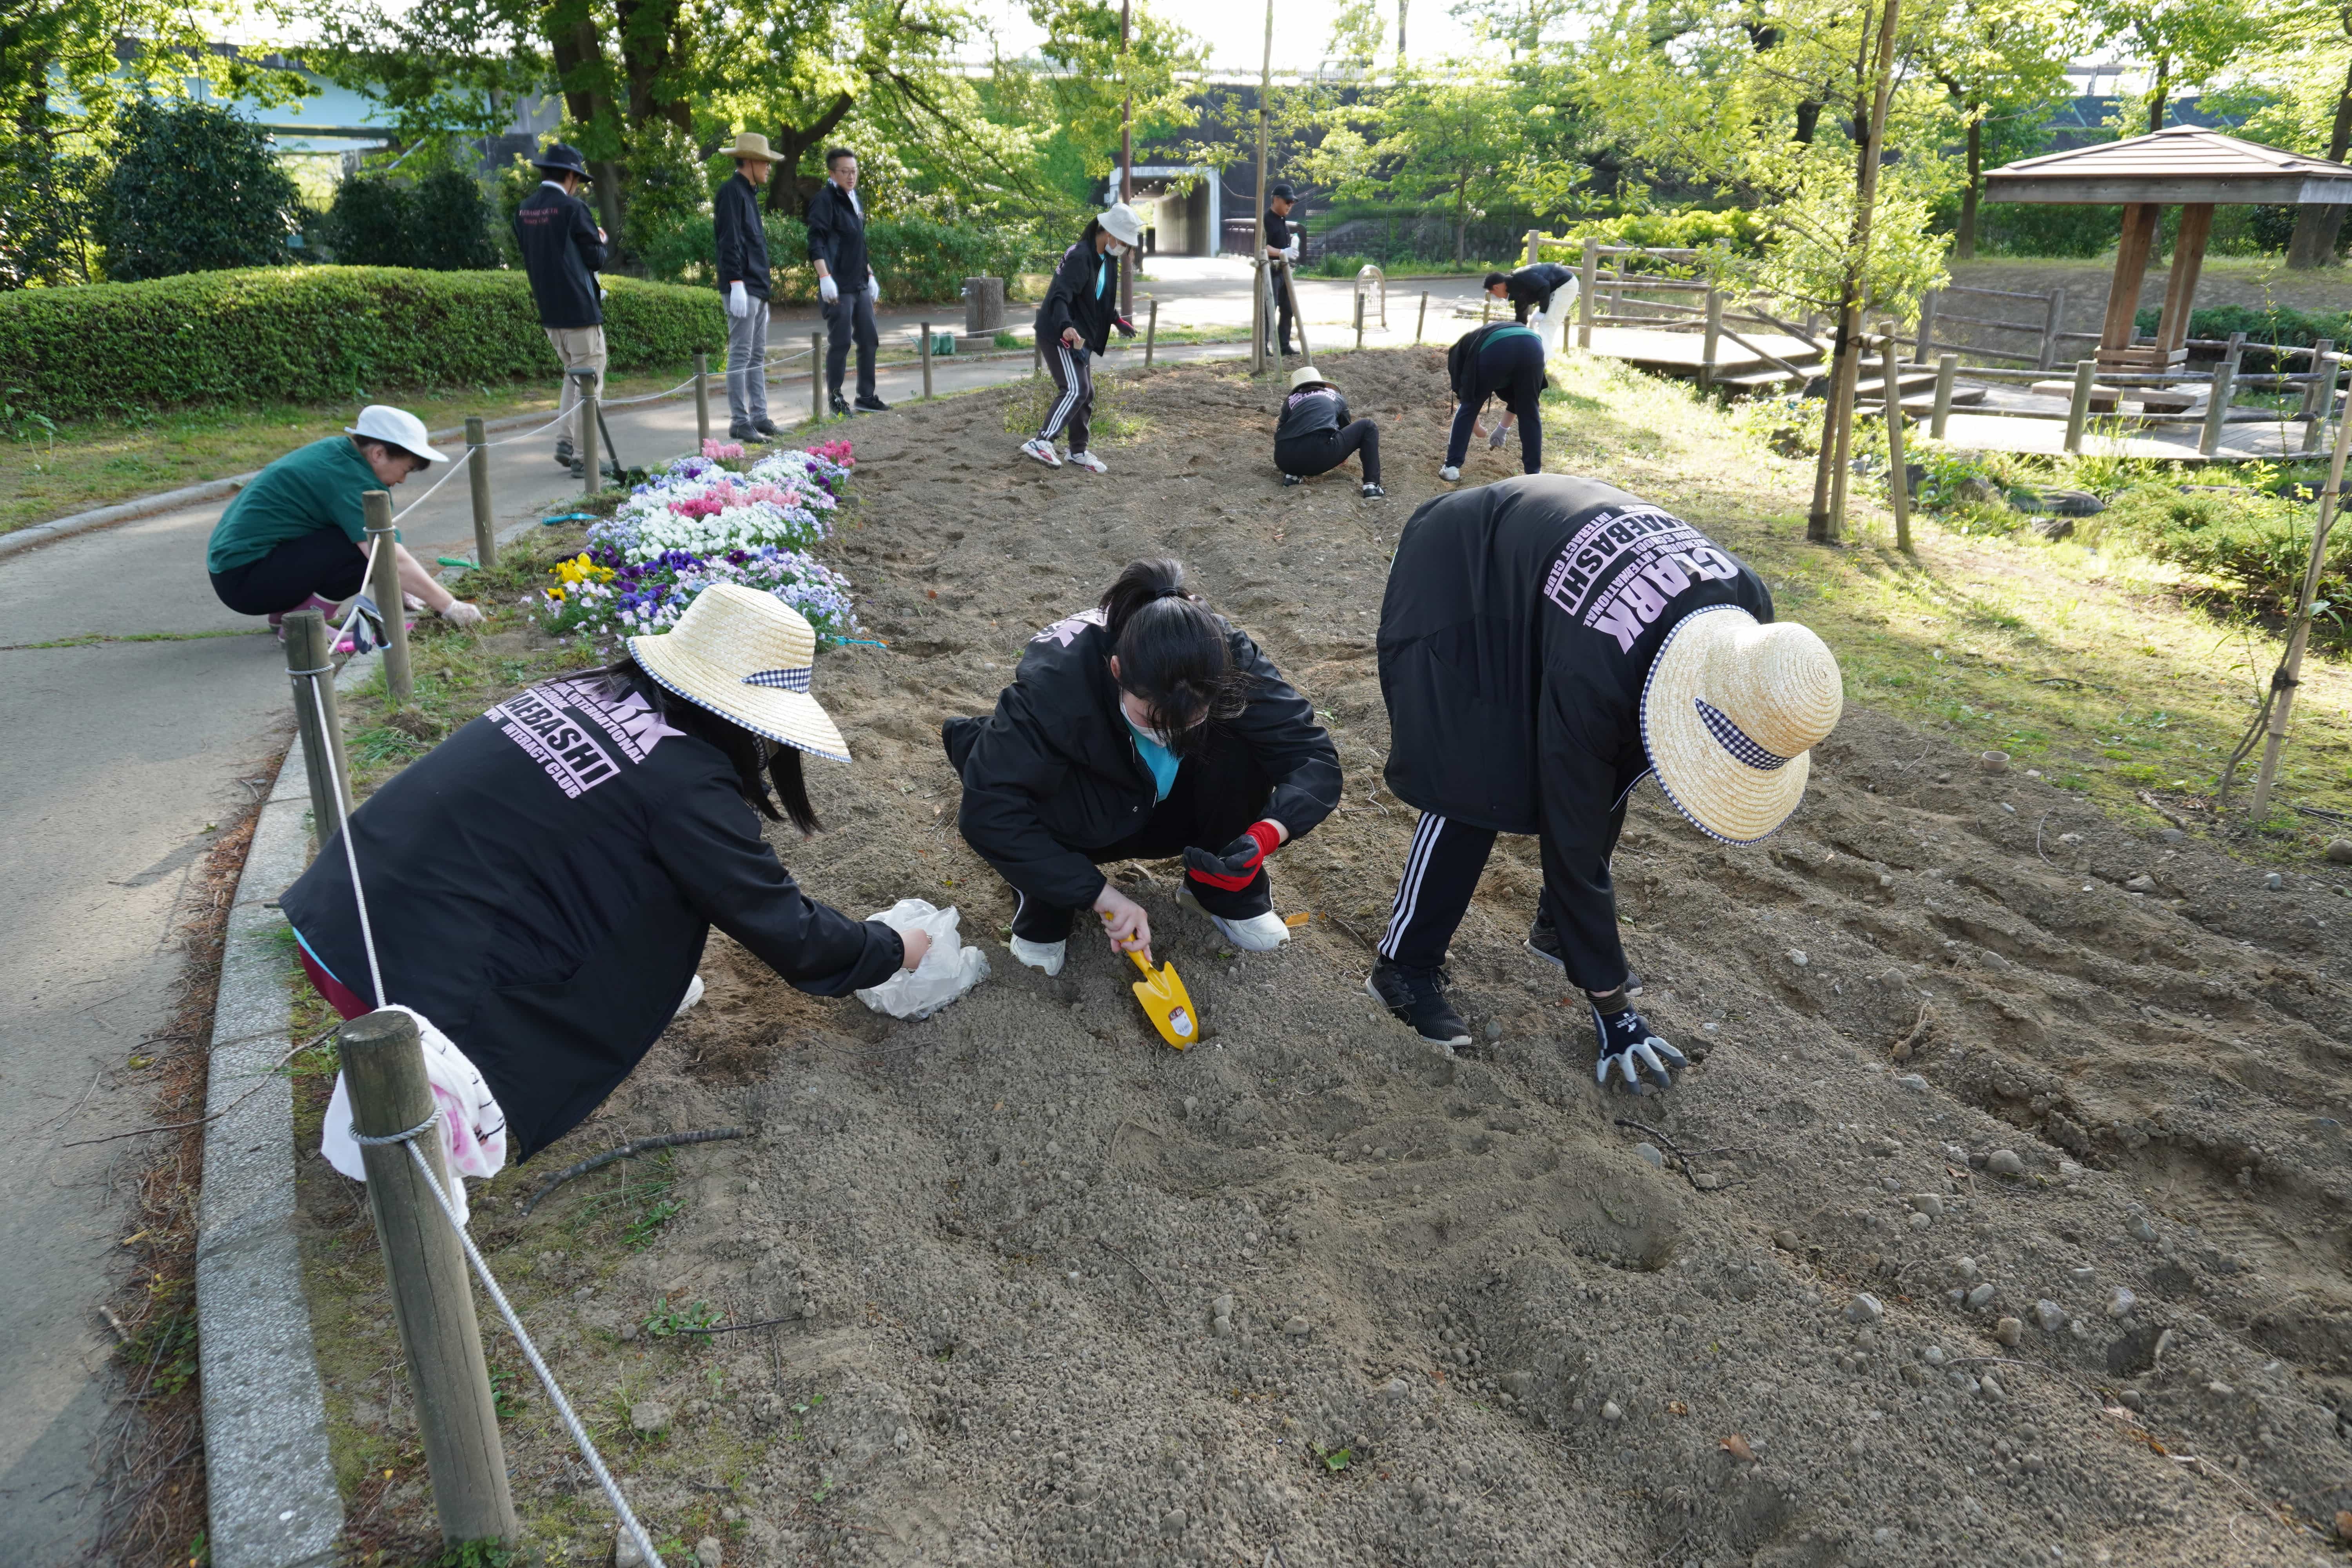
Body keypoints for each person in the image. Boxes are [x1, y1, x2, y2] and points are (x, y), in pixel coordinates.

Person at [278, 584, 929, 1161]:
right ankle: (416, 1107)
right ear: (755, 720)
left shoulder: (582, 688)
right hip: (392, 997)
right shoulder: (688, 789)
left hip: (335, 917)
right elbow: (787, 931)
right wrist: (893, 948)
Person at [1367, 474, 1842, 1088]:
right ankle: (1403, 967)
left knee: (1615, 758)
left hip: (1551, 580)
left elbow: (1608, 774)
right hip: (1466, 567)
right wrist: (1613, 1006)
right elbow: (1573, 827)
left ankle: (1558, 928)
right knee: (1476, 776)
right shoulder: (1599, 676)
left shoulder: (1749, 615)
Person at [940, 559, 1341, 976]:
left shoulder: (1222, 655)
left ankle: (1220, 889)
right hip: (1087, 808)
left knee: (1249, 734)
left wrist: (1263, 836)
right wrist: (1100, 895)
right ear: (1117, 672)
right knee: (1025, 784)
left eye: (1192, 717)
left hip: (1171, 803)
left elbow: (1310, 755)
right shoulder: (1055, 685)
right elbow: (991, 810)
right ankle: (1047, 901)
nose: (1170, 733)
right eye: (1154, 718)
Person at [207, 406, 485, 637]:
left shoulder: (339, 453)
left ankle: (290, 614)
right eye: (406, 469)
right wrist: (451, 607)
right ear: (378, 453)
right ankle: (307, 628)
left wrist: (398, 588)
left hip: (237, 572)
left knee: (358, 542)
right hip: (247, 580)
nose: (402, 480)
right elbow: (388, 557)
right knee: (364, 553)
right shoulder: (354, 481)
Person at [1019, 203, 1143, 474]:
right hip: (1059, 333)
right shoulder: (1079, 255)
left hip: (1081, 336)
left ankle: (1077, 452)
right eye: (1122, 241)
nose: (1123, 247)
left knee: (1086, 394)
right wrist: (1065, 326)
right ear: (1107, 232)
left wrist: (1116, 320)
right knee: (1075, 389)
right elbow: (1061, 295)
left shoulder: (1107, 261)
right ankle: (1042, 441)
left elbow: (1099, 299)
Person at [514, 143, 608, 478]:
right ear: (569, 175)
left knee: (573, 374)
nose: (578, 185)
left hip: (549, 311)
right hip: (580, 311)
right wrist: (601, 240)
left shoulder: (524, 210)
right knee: (590, 384)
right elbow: (594, 258)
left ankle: (566, 441)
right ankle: (584, 458)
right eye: (578, 179)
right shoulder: (573, 208)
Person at [806, 147, 886, 417]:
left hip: (860, 282)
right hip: (837, 286)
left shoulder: (853, 198)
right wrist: (824, 278)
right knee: (840, 342)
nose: (851, 177)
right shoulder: (825, 201)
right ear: (832, 173)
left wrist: (871, 275)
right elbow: (815, 242)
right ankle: (836, 399)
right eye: (845, 172)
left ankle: (866, 396)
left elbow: (857, 243)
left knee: (869, 339)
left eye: (854, 171)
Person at [714, 131, 779, 441]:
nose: (769, 168)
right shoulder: (731, 192)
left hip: (756, 287)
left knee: (756, 356)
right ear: (751, 162)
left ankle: (760, 417)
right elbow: (730, 241)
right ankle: (740, 421)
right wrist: (736, 282)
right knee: (741, 355)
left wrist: (762, 293)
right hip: (743, 286)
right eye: (765, 162)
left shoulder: (749, 193)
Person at [1442, 318, 1548, 483]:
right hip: (1532, 344)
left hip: (1497, 347)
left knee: (1471, 405)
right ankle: (1534, 474)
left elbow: (1468, 399)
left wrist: (1481, 428)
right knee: (1530, 410)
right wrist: (1502, 429)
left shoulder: (1459, 355)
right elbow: (1519, 400)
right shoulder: (1471, 345)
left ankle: (1451, 468)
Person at [1273, 364, 1384, 498]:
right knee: (1368, 426)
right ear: (1321, 383)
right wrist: (1342, 454)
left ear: (1297, 388)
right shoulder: (1334, 396)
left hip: (1283, 458)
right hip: (1319, 456)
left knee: (1298, 435)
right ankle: (1372, 486)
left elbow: (1280, 430)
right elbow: (1345, 429)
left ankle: (1292, 476)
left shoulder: (1290, 401)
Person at [1263, 181, 1302, 358]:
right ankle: (1262, 348)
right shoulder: (1266, 220)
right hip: (1271, 271)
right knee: (1269, 309)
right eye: (1287, 201)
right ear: (1276, 199)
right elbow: (1263, 247)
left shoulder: (1282, 220)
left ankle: (1284, 346)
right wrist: (1282, 253)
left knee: (1288, 309)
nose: (1290, 205)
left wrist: (1291, 251)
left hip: (1285, 272)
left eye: (1292, 202)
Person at [1483, 261, 1579, 326]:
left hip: (1566, 283)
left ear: (1496, 287)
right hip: (1557, 287)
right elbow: (1521, 318)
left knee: (1546, 324)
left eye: (1493, 293)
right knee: (1533, 322)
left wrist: (1543, 312)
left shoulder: (1520, 275)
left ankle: (1541, 356)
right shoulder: (1515, 292)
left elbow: (1544, 286)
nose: (1496, 296)